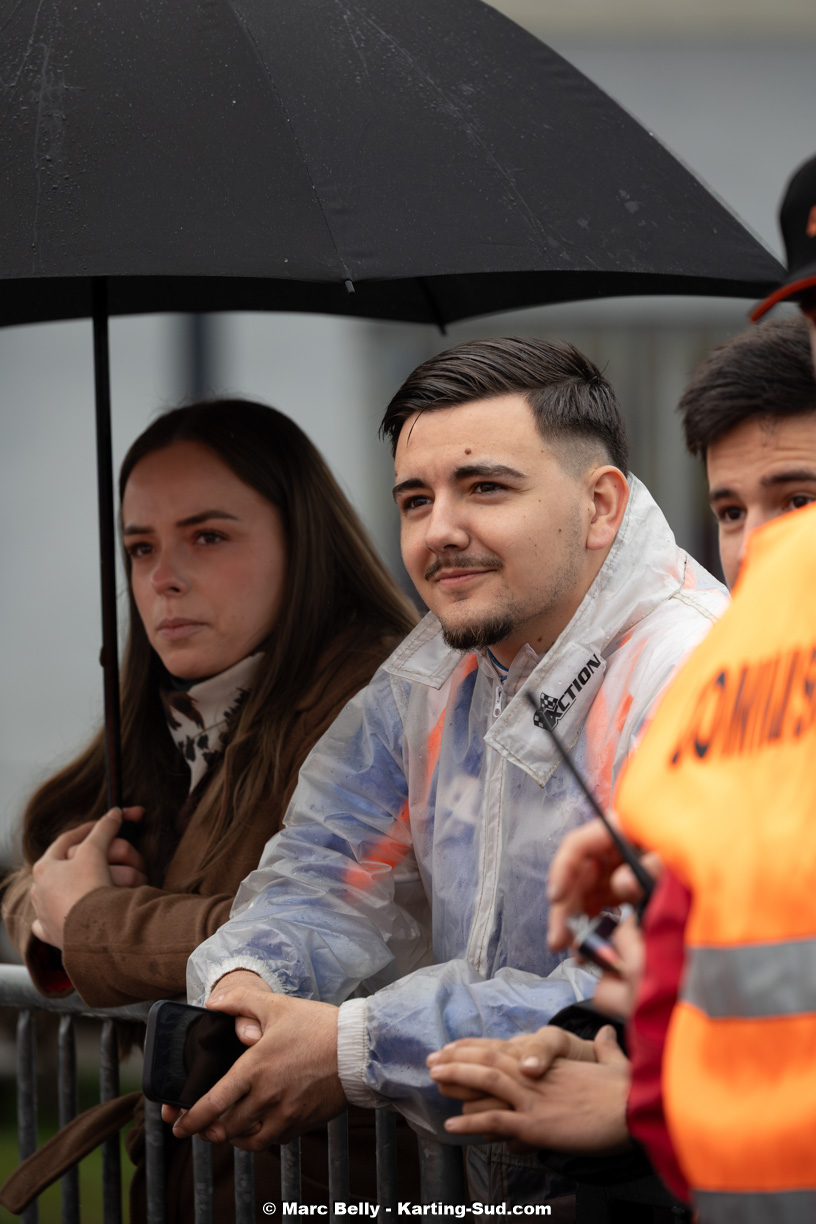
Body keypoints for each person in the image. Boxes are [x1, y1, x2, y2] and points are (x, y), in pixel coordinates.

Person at [167, 337, 728, 1207]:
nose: (440, 532)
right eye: (415, 499)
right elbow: (327, 869)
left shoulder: (694, 670)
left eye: (485, 487)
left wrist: (356, 1048)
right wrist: (249, 987)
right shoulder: (433, 676)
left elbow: (644, 984)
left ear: (601, 506)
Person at [430, 306, 816, 1215]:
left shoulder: (694, 662)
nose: (758, 546)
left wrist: (644, 1101)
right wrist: (619, 1060)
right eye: (731, 510)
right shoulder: (730, 696)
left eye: (798, 501)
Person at [0, 399, 419, 1219]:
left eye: (208, 537)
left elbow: (313, 934)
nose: (164, 578)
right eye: (140, 547)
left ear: (302, 540)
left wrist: (96, 921)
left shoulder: (380, 704)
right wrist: (58, 912)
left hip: (334, 1183)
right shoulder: (176, 709)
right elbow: (44, 874)